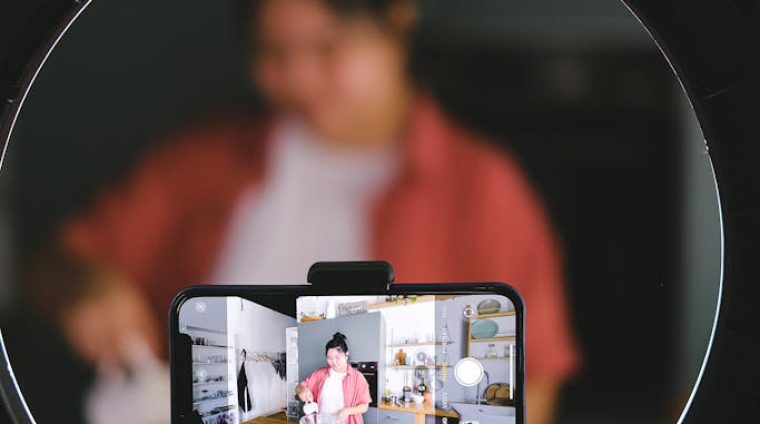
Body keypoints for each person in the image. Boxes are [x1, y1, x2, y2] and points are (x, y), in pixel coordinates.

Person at [36, 0, 579, 422]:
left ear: (395, 20)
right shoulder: (201, 163)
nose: (298, 78)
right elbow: (63, 262)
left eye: (327, 48)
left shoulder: (481, 187)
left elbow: (535, 380)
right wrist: (86, 290)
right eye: (274, 55)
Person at [296, 333, 371, 424]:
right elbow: (300, 387)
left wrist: (347, 411)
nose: (333, 362)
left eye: (337, 357)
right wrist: (302, 390)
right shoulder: (320, 374)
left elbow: (364, 406)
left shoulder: (358, 377)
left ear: (346, 355)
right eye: (329, 358)